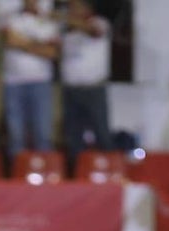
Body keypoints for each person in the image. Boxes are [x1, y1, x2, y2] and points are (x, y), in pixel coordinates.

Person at [1, 0, 59, 156]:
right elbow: (9, 41)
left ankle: (45, 173)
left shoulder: (49, 21)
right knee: (16, 134)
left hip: (41, 82)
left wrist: (22, 43)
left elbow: (52, 53)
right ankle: (18, 176)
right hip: (13, 83)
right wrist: (39, 45)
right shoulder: (10, 17)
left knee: (43, 133)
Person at [60, 0, 112, 168]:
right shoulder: (66, 31)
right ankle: (78, 173)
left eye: (75, 7)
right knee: (73, 135)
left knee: (101, 133)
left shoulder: (99, 23)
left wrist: (64, 18)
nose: (71, 10)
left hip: (93, 89)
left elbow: (93, 31)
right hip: (71, 90)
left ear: (86, 8)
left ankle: (109, 170)